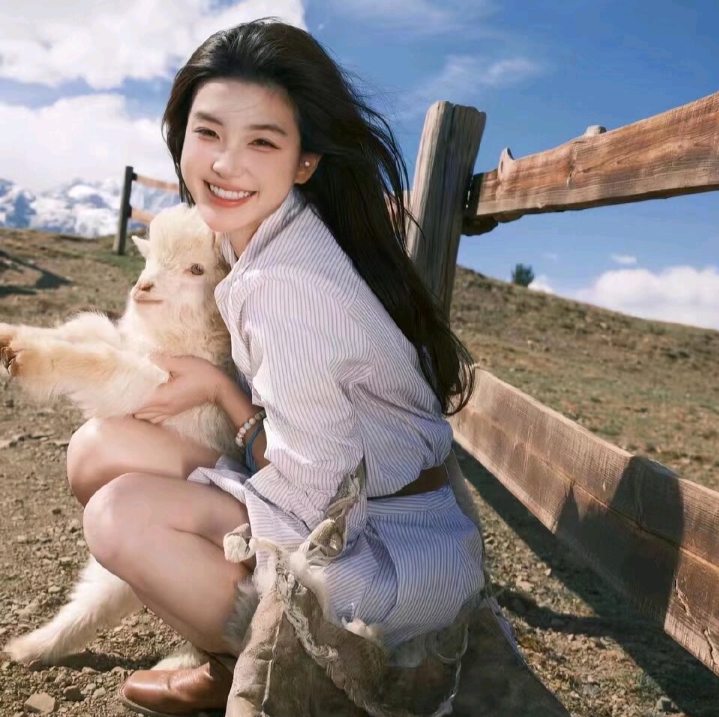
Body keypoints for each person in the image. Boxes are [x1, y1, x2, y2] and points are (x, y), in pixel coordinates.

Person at [68, 18, 491, 716]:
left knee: (120, 516)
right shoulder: (265, 234)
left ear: (304, 161)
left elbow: (316, 506)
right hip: (367, 508)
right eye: (208, 133)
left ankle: (283, 669)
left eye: (261, 141)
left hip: (382, 552)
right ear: (181, 137)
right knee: (95, 451)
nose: (226, 164)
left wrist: (222, 401)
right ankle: (225, 648)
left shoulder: (284, 287)